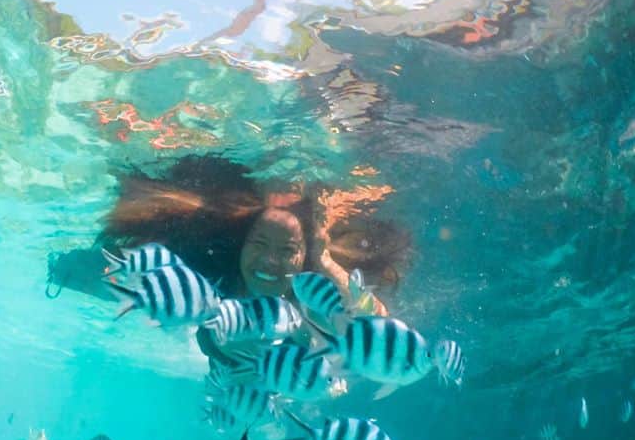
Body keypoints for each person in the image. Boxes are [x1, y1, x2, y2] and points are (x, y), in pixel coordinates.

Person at [46, 154, 409, 367]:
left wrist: (327, 261)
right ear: (241, 244)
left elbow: (384, 328)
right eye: (260, 244)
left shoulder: (313, 287)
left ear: (304, 257)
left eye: (288, 251)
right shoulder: (203, 266)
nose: (270, 262)